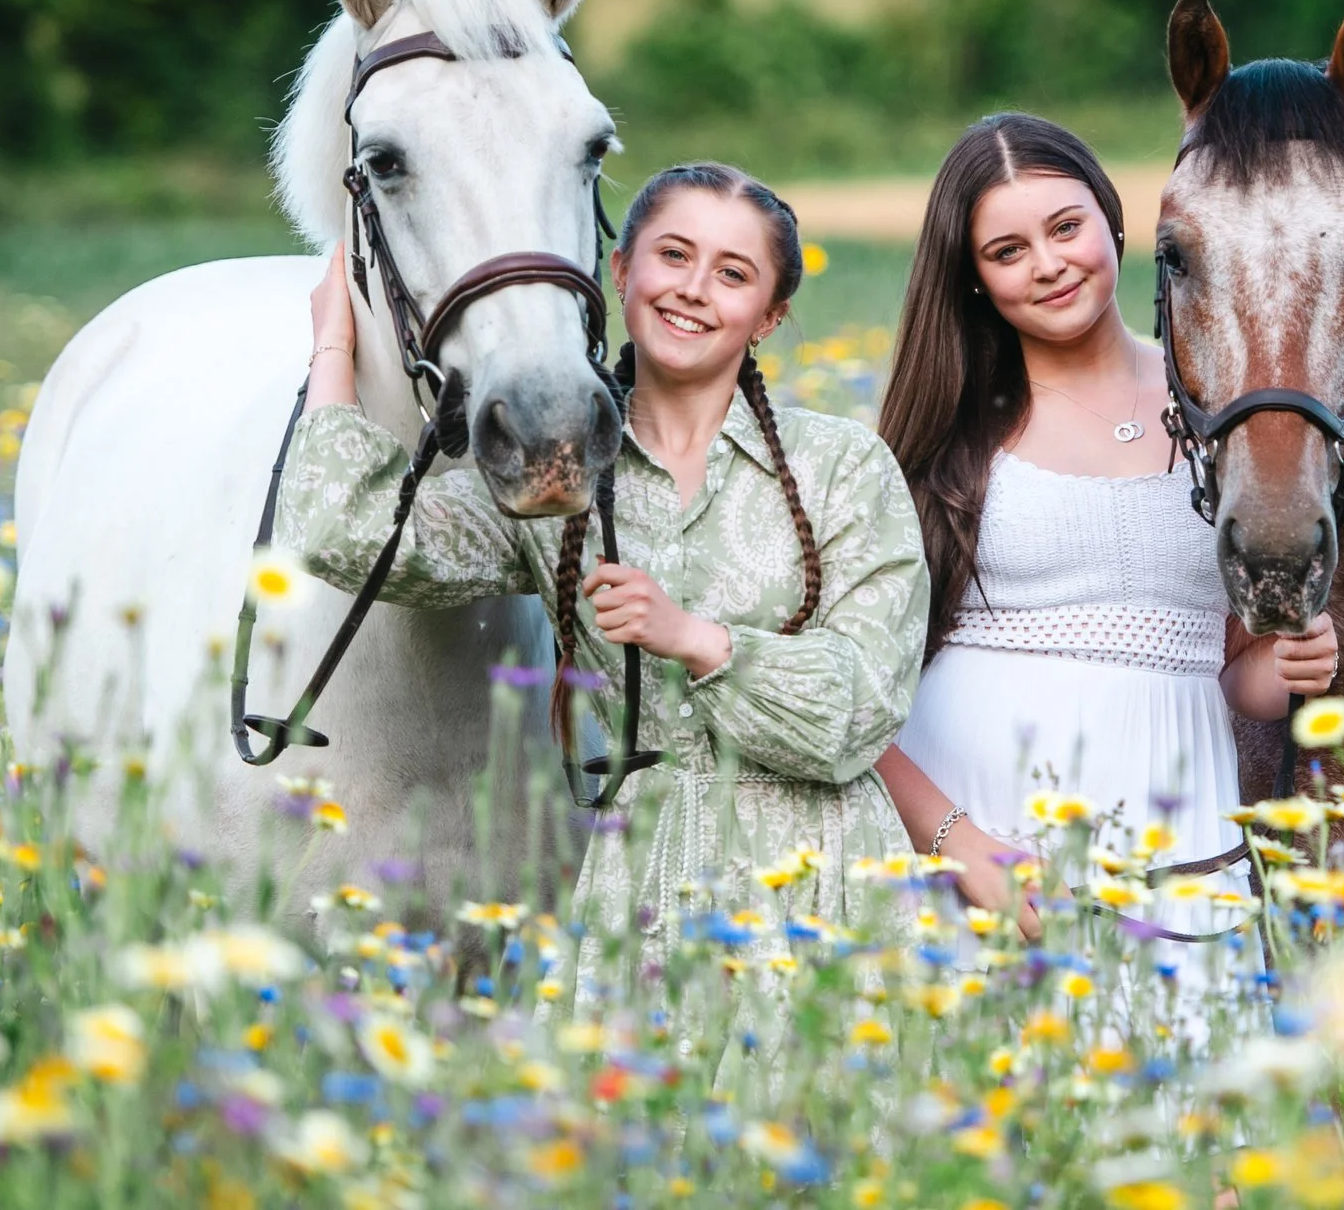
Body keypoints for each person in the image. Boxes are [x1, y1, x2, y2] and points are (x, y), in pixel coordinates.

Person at [276, 163, 929, 1020]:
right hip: (647, 880)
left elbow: (862, 708)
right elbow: (348, 535)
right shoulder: (554, 479)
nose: (694, 290)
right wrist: (335, 347)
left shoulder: (844, 468)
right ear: (619, 272)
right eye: (673, 255)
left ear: (769, 314)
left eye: (733, 274)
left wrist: (691, 637)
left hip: (831, 879)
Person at [874, 114, 1339, 958]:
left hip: (1180, 863)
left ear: (1115, 220)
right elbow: (854, 691)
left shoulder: (1226, 411)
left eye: (1064, 227)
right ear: (973, 277)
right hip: (977, 866)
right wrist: (955, 841)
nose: (1048, 264)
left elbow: (1236, 672)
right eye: (1006, 251)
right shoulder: (950, 432)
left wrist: (1288, 664)